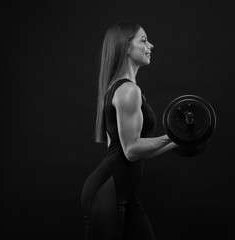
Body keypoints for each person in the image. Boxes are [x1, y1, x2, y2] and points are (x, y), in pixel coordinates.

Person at [81, 21, 177, 240]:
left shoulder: (121, 88)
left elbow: (138, 151)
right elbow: (131, 150)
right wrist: (172, 135)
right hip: (106, 193)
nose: (150, 45)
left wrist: (178, 141)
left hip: (123, 193)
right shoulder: (128, 91)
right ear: (126, 47)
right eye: (143, 40)